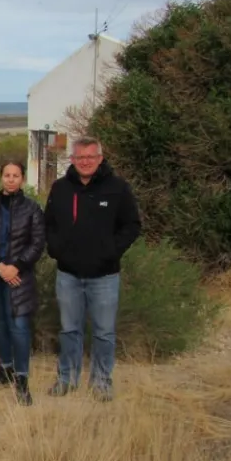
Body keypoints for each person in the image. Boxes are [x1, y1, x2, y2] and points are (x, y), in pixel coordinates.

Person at [44, 137, 141, 401]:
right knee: (69, 330)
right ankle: (67, 379)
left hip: (105, 276)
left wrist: (111, 251)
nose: (85, 162)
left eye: (90, 157)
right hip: (68, 275)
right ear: (72, 159)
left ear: (100, 158)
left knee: (104, 332)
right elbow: (48, 223)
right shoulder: (61, 188)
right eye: (80, 157)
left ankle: (101, 382)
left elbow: (132, 225)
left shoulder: (117, 188)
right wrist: (57, 249)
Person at [0, 161, 45, 405]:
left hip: (19, 277)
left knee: (19, 326)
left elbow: (37, 242)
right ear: (1, 177)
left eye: (15, 175)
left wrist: (16, 266)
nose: (11, 179)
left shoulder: (32, 209)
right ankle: (5, 369)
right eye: (7, 175)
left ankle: (21, 378)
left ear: (22, 179)